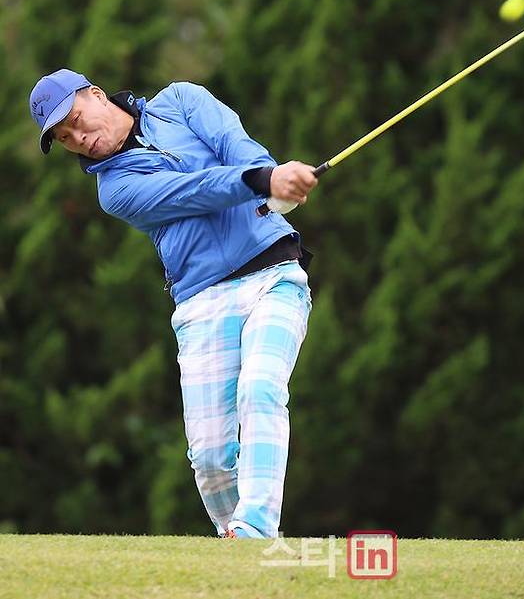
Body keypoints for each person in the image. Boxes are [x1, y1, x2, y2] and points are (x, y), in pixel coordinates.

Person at [28, 68, 318, 539]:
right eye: (64, 138)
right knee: (210, 457)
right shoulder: (114, 190)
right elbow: (195, 192)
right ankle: (241, 551)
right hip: (202, 301)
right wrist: (263, 179)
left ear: (97, 95)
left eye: (76, 121)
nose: (78, 139)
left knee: (260, 387)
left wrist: (273, 178)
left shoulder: (182, 100)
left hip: (274, 274)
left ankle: (255, 528)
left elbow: (237, 145)